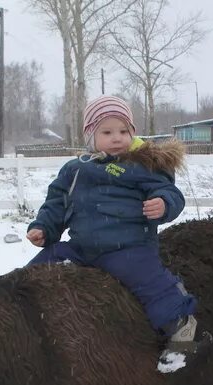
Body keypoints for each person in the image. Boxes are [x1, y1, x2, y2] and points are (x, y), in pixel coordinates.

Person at [26, 95, 198, 358]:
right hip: (81, 248)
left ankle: (179, 322)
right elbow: (56, 204)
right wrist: (43, 228)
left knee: (147, 280)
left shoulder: (143, 166)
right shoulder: (75, 169)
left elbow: (170, 192)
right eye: (107, 132)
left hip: (128, 247)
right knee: (45, 263)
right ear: (90, 137)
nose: (116, 138)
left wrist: (163, 204)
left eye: (123, 131)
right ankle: (19, 309)